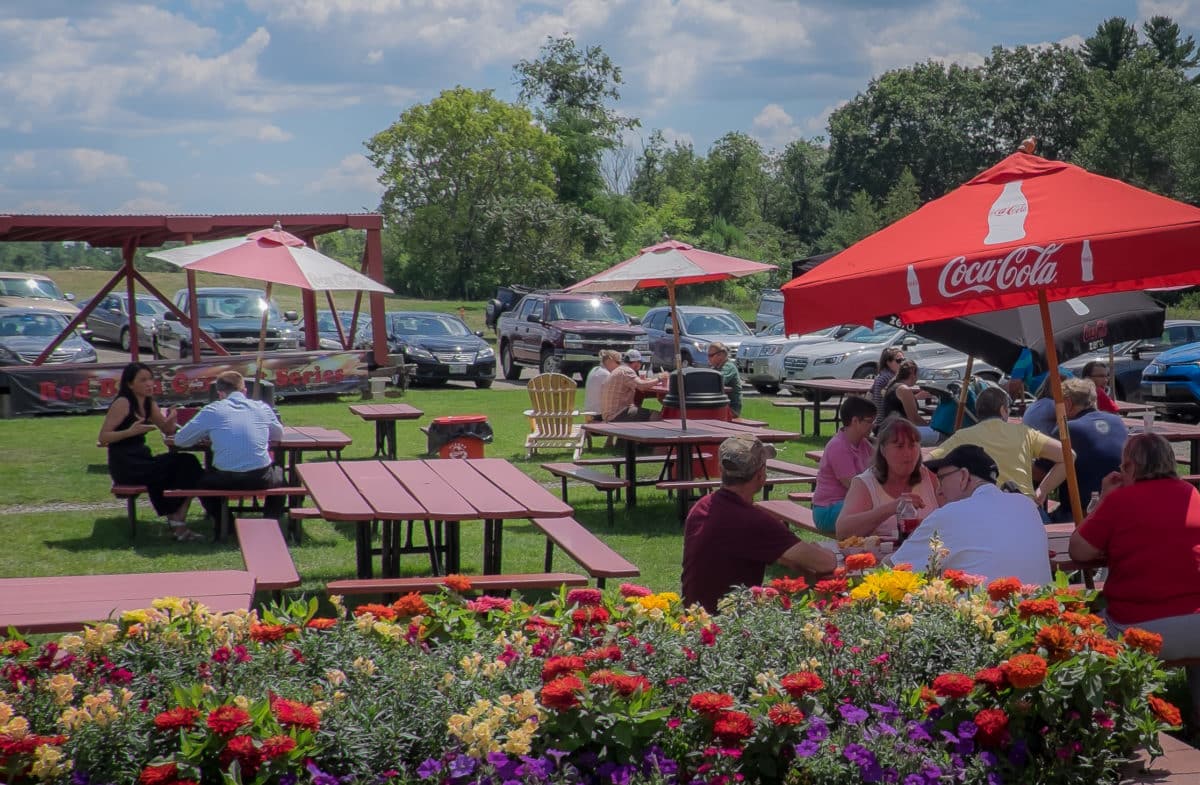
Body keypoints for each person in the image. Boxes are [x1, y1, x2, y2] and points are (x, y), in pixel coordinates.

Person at [1069, 433, 1200, 724]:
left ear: (1130, 467)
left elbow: (1078, 549)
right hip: (1197, 623)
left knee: (1083, 631)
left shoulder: (1121, 502)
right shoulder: (1192, 494)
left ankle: (1116, 718)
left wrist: (1104, 498)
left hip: (1139, 629)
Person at [682, 435, 837, 612]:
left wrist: (792, 558)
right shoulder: (752, 520)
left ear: (721, 469)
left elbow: (747, 547)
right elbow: (827, 563)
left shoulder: (701, 507)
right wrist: (817, 551)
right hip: (727, 626)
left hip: (695, 620)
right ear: (760, 474)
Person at [892, 445, 1051, 584]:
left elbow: (894, 569)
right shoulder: (1027, 505)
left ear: (963, 476)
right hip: (1039, 613)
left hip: (985, 616)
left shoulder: (949, 515)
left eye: (941, 479)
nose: (939, 490)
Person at [98, 362, 205, 541]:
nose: (149, 384)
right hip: (127, 464)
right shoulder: (123, 403)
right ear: (130, 384)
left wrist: (171, 420)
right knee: (183, 464)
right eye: (143, 380)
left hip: (143, 459)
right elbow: (103, 437)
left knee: (189, 464)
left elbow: (166, 430)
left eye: (151, 379)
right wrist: (130, 432)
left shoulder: (149, 403)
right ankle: (176, 521)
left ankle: (177, 518)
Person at [174, 371, 285, 523]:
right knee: (279, 475)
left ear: (220, 393)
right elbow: (278, 435)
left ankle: (225, 524)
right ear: (244, 391)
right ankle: (270, 521)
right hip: (259, 477)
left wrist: (207, 434)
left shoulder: (212, 410)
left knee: (201, 483)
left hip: (224, 477)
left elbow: (180, 440)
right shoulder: (261, 407)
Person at [929, 386, 1065, 505]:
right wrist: (1043, 490)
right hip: (1024, 506)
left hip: (981, 509)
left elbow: (928, 463)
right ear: (1003, 410)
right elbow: (1068, 455)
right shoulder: (1024, 433)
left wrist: (944, 496)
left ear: (978, 411)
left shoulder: (963, 436)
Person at [836, 416, 940, 540]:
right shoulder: (865, 483)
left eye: (912, 445)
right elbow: (842, 531)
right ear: (883, 450)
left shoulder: (929, 477)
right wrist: (892, 508)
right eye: (900, 446)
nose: (908, 453)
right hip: (880, 558)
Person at [1053, 377, 1126, 516]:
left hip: (1082, 512)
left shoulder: (1066, 429)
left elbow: (1040, 472)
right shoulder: (1117, 421)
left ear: (1067, 404)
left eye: (1057, 404)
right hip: (1119, 507)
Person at [812, 396, 878, 533]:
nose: (873, 426)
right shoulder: (838, 446)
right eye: (869, 421)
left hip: (848, 505)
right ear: (855, 421)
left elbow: (880, 469)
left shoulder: (863, 444)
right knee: (877, 510)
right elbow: (853, 485)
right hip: (827, 510)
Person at [880, 359, 939, 445]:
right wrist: (930, 427)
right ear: (912, 373)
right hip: (898, 432)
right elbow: (914, 419)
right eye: (917, 374)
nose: (917, 378)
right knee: (941, 437)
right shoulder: (904, 389)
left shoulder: (894, 385)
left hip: (890, 428)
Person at [600, 350, 667, 422]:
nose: (640, 364)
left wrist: (651, 381)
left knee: (640, 410)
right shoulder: (627, 371)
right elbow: (642, 386)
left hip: (609, 414)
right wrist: (660, 378)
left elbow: (640, 384)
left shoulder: (620, 370)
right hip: (617, 415)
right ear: (636, 363)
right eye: (640, 362)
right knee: (657, 414)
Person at [870, 346, 905, 430]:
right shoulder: (888, 378)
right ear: (888, 362)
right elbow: (897, 402)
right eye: (898, 361)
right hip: (886, 425)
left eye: (903, 360)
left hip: (881, 423)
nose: (902, 363)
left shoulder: (883, 375)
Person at [706, 342, 743, 417]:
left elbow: (719, 381)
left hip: (731, 409)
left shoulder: (728, 367)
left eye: (711, 355)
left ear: (721, 355)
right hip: (720, 406)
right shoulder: (716, 368)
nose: (708, 358)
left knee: (702, 413)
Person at [583, 349, 620, 418]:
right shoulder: (606, 375)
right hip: (600, 415)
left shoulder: (595, 369)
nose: (619, 365)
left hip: (589, 413)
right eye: (618, 362)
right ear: (609, 361)